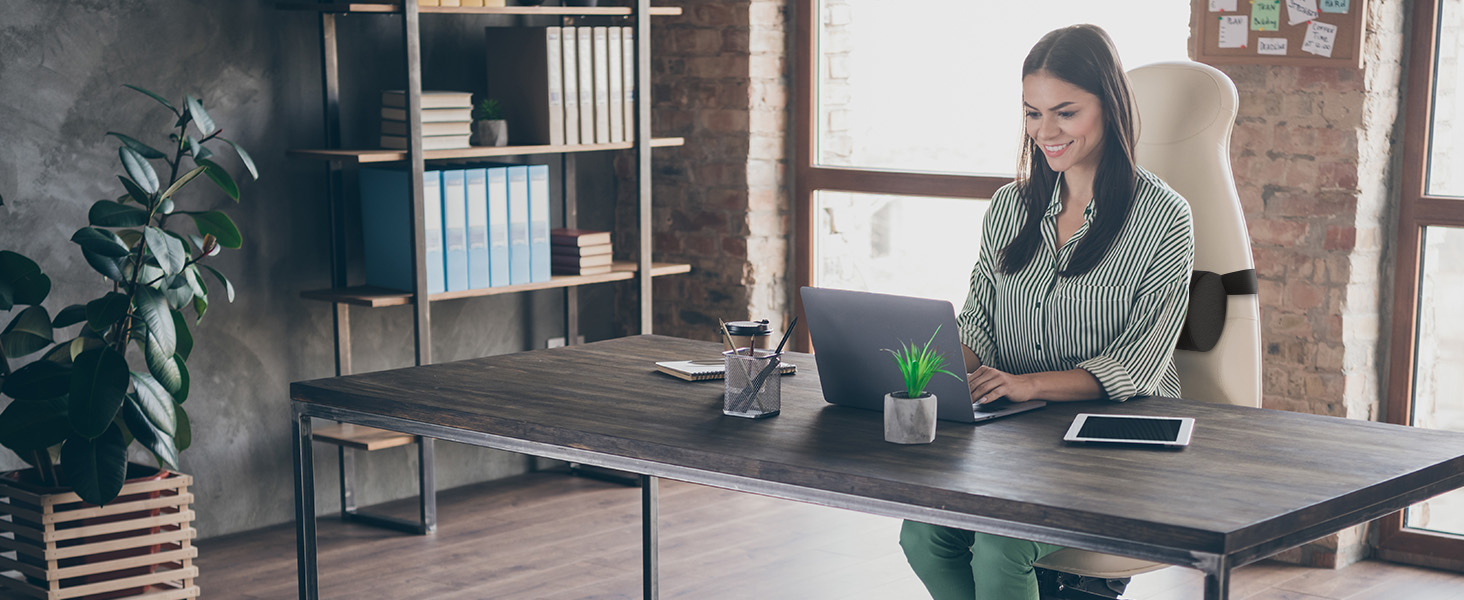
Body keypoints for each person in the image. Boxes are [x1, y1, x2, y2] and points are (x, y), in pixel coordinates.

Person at [898, 24, 1195, 600]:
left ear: (1109, 108)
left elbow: (1137, 365)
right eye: (1032, 114)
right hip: (1016, 438)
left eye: (1065, 112)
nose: (1046, 132)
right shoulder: (1009, 207)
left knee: (1002, 545)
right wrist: (935, 366)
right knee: (921, 532)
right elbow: (977, 325)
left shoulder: (1163, 215)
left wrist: (1024, 384)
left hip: (1112, 441)